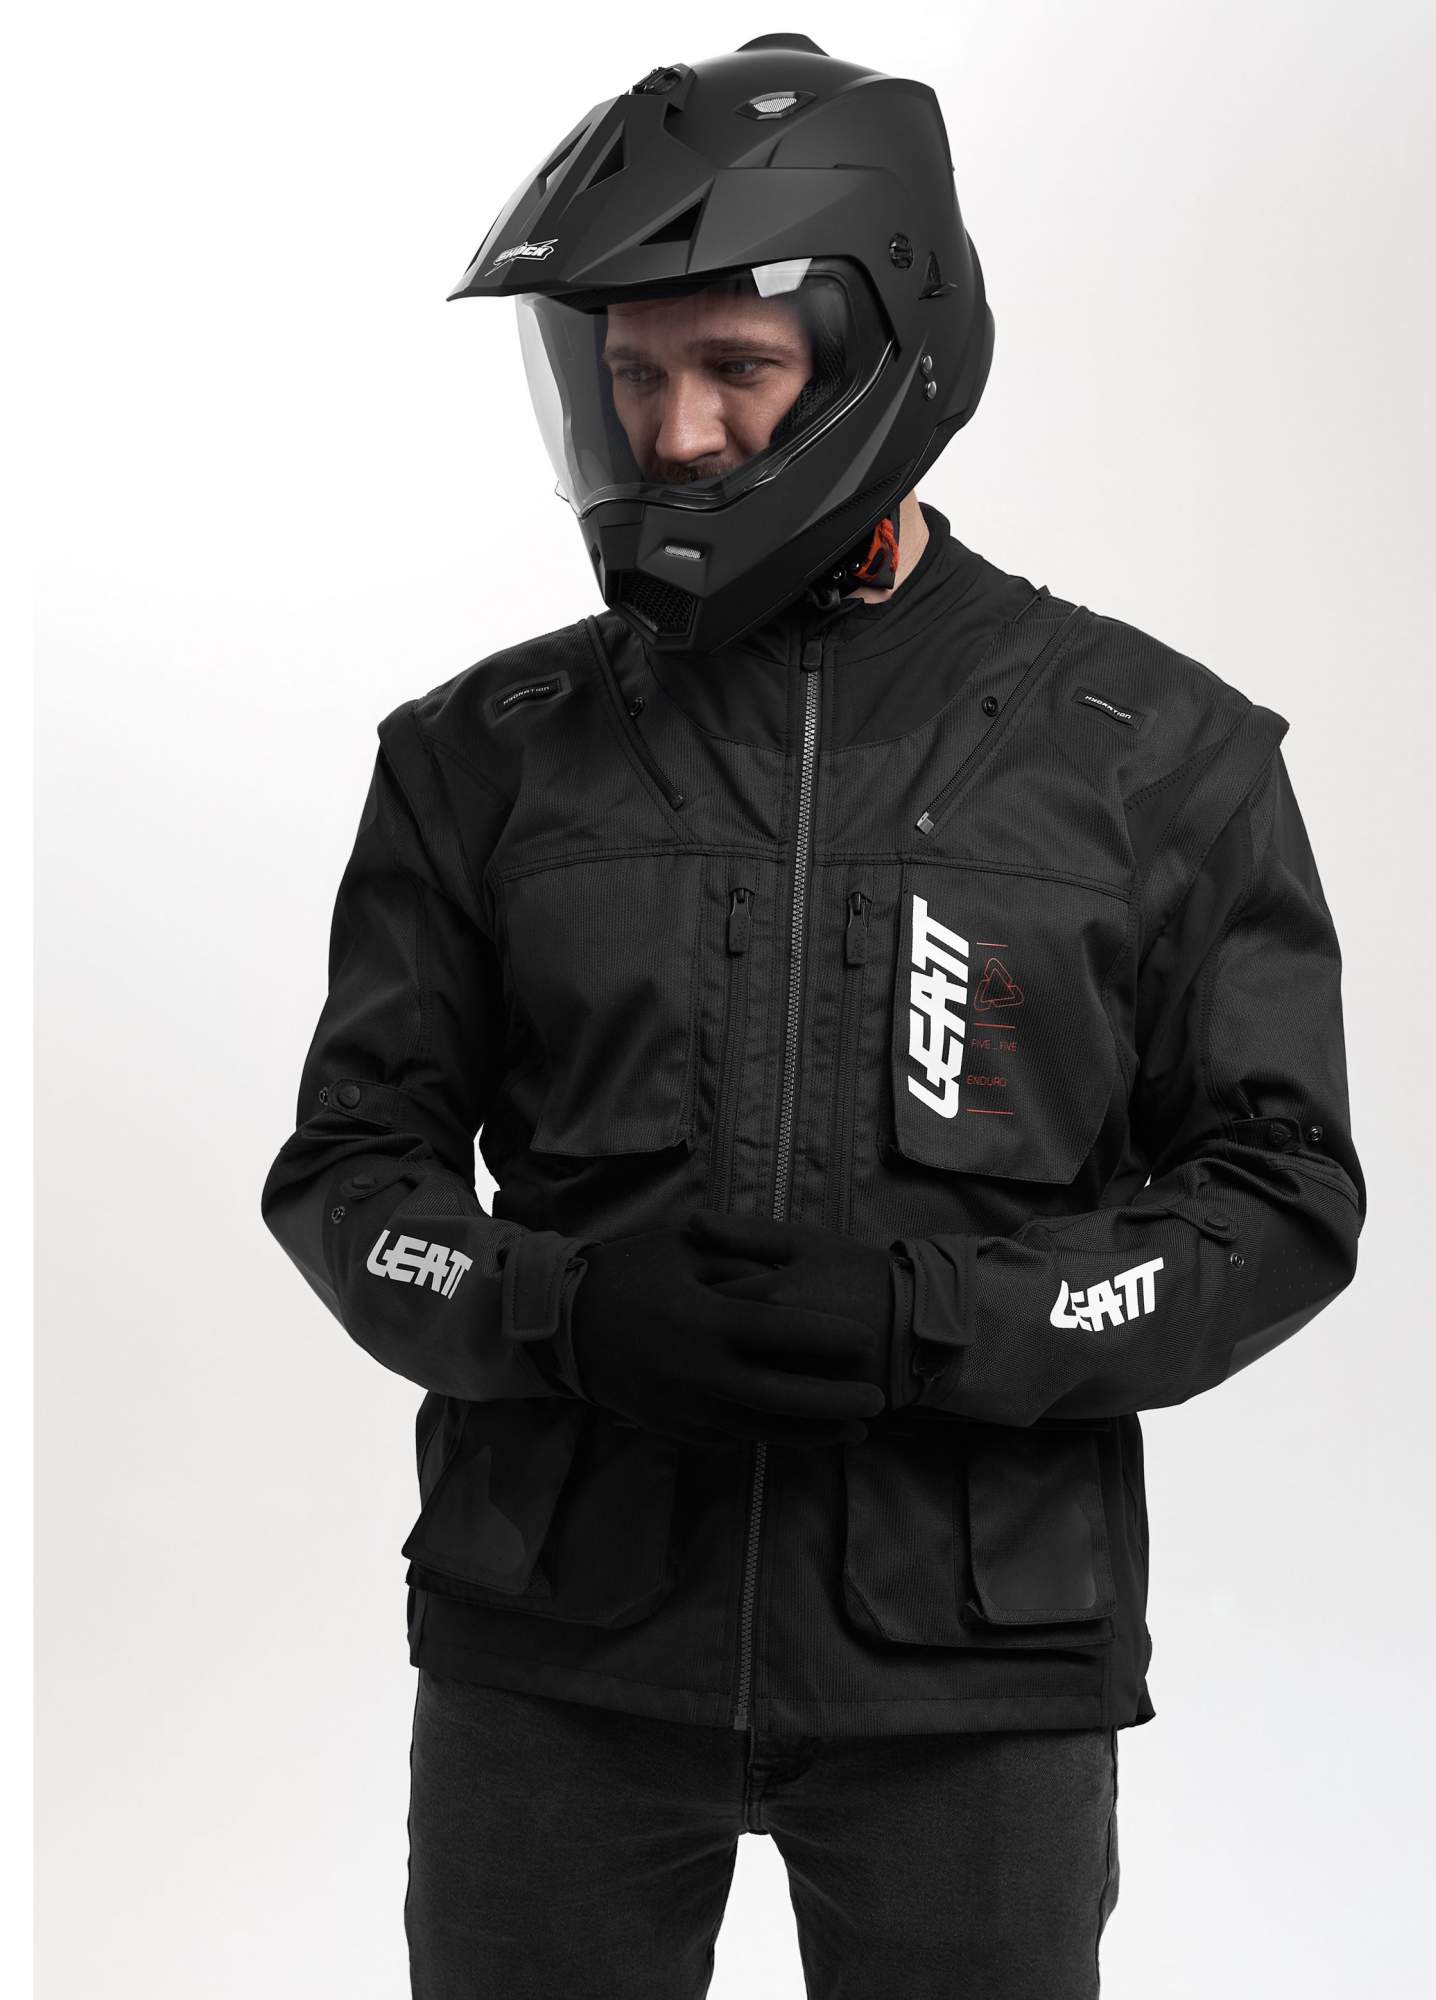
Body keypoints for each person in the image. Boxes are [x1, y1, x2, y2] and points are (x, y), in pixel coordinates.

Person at [261, 32, 1366, 2000]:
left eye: (735, 368)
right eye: (632, 372)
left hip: (970, 1668)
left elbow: (1279, 1200)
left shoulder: (1157, 759)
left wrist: (948, 1320)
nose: (675, 431)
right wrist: (557, 1309)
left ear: (883, 353)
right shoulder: (479, 755)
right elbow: (351, 1175)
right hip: (560, 1650)